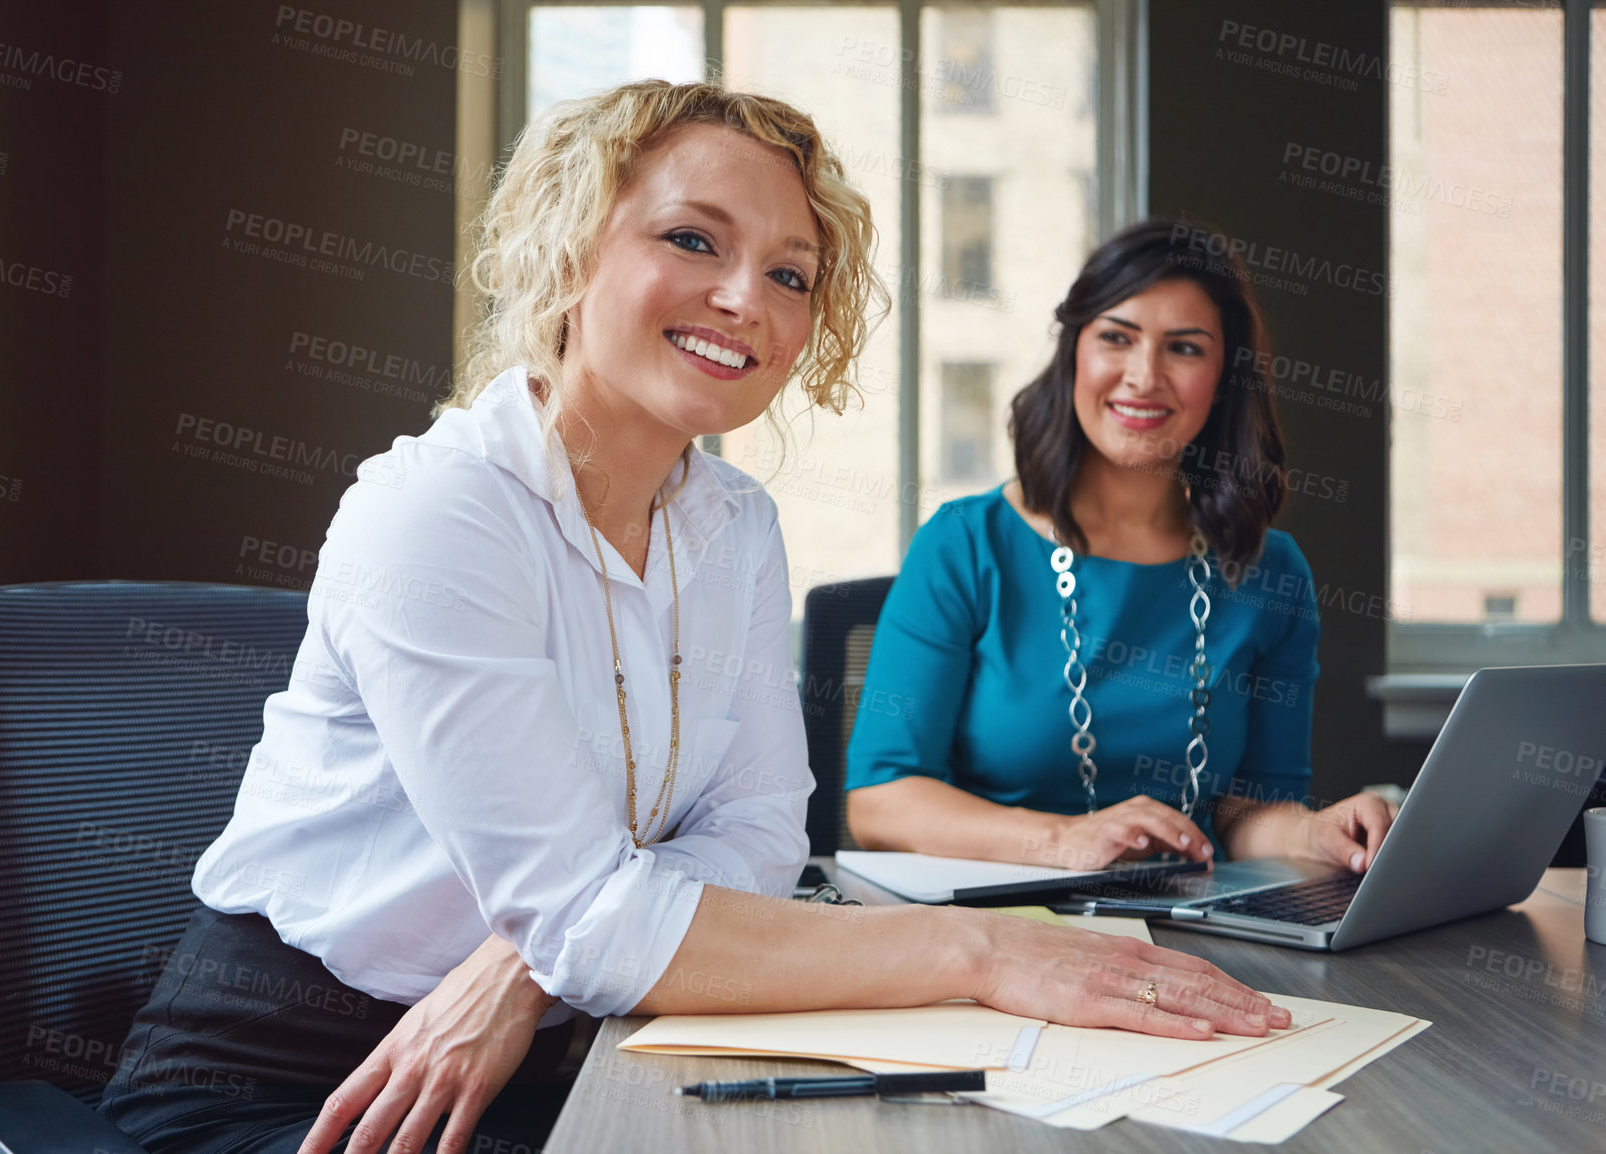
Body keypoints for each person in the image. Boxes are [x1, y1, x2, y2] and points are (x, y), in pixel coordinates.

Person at [99, 88, 1292, 1154]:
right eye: (691, 239)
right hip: (313, 1084)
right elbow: (592, 916)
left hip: (585, 1037)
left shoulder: (733, 524)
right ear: (570, 248)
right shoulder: (437, 510)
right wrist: (989, 953)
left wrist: (533, 961)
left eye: (788, 273)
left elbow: (763, 837)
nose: (745, 298)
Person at [844, 219, 1397, 877]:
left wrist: (1313, 833)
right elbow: (879, 803)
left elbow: (1247, 814)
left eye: (1184, 349)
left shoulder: (1270, 571)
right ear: (1075, 351)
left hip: (1194, 925)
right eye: (1116, 338)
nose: (1144, 376)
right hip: (1000, 925)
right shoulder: (965, 545)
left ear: (1224, 376)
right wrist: (1065, 840)